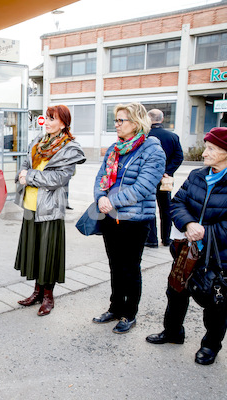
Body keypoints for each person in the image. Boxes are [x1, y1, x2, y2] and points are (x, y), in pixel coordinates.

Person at [146, 127, 227, 365]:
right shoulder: (197, 176)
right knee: (176, 291)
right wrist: (189, 223)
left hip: (219, 255)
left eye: (211, 148)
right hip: (188, 250)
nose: (204, 153)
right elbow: (177, 203)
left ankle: (211, 346)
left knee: (216, 302)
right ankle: (173, 333)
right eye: (206, 147)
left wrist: (205, 231)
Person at [92, 102, 165, 334]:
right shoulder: (115, 148)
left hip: (135, 220)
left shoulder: (153, 149)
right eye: (116, 120)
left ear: (136, 123)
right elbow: (100, 177)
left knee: (130, 267)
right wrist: (101, 197)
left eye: (121, 120)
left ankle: (129, 313)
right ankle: (115, 307)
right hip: (110, 216)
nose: (116, 125)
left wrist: (111, 201)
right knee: (115, 265)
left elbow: (144, 187)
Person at [13, 105, 86, 316]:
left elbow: (59, 178)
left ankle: (48, 296)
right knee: (34, 252)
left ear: (63, 122)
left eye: (52, 118)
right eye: (46, 117)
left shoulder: (70, 147)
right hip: (30, 204)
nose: (47, 121)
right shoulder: (38, 142)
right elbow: (25, 165)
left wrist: (30, 177)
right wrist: (22, 174)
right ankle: (36, 291)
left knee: (48, 253)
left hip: (50, 208)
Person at [145, 109, 184, 247]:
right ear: (161, 120)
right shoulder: (172, 136)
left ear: (148, 120)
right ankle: (167, 239)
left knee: (149, 207)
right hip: (165, 179)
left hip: (148, 177)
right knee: (166, 208)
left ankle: (151, 239)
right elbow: (179, 156)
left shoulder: (145, 136)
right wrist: (167, 171)